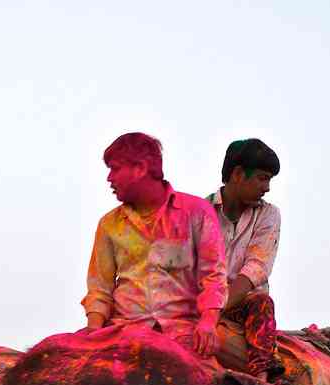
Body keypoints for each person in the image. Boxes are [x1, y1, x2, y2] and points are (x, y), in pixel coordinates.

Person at [78, 132, 227, 358]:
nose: (109, 178)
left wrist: (208, 322)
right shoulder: (109, 225)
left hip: (182, 334)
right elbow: (100, 288)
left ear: (140, 168)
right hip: (123, 333)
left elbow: (213, 277)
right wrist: (93, 331)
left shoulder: (196, 213)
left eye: (115, 168)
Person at [208, 137, 282, 372]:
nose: (267, 188)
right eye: (263, 178)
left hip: (243, 305)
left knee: (261, 302)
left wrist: (219, 309)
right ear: (238, 174)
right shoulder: (200, 213)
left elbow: (256, 268)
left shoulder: (268, 214)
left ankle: (263, 378)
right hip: (203, 301)